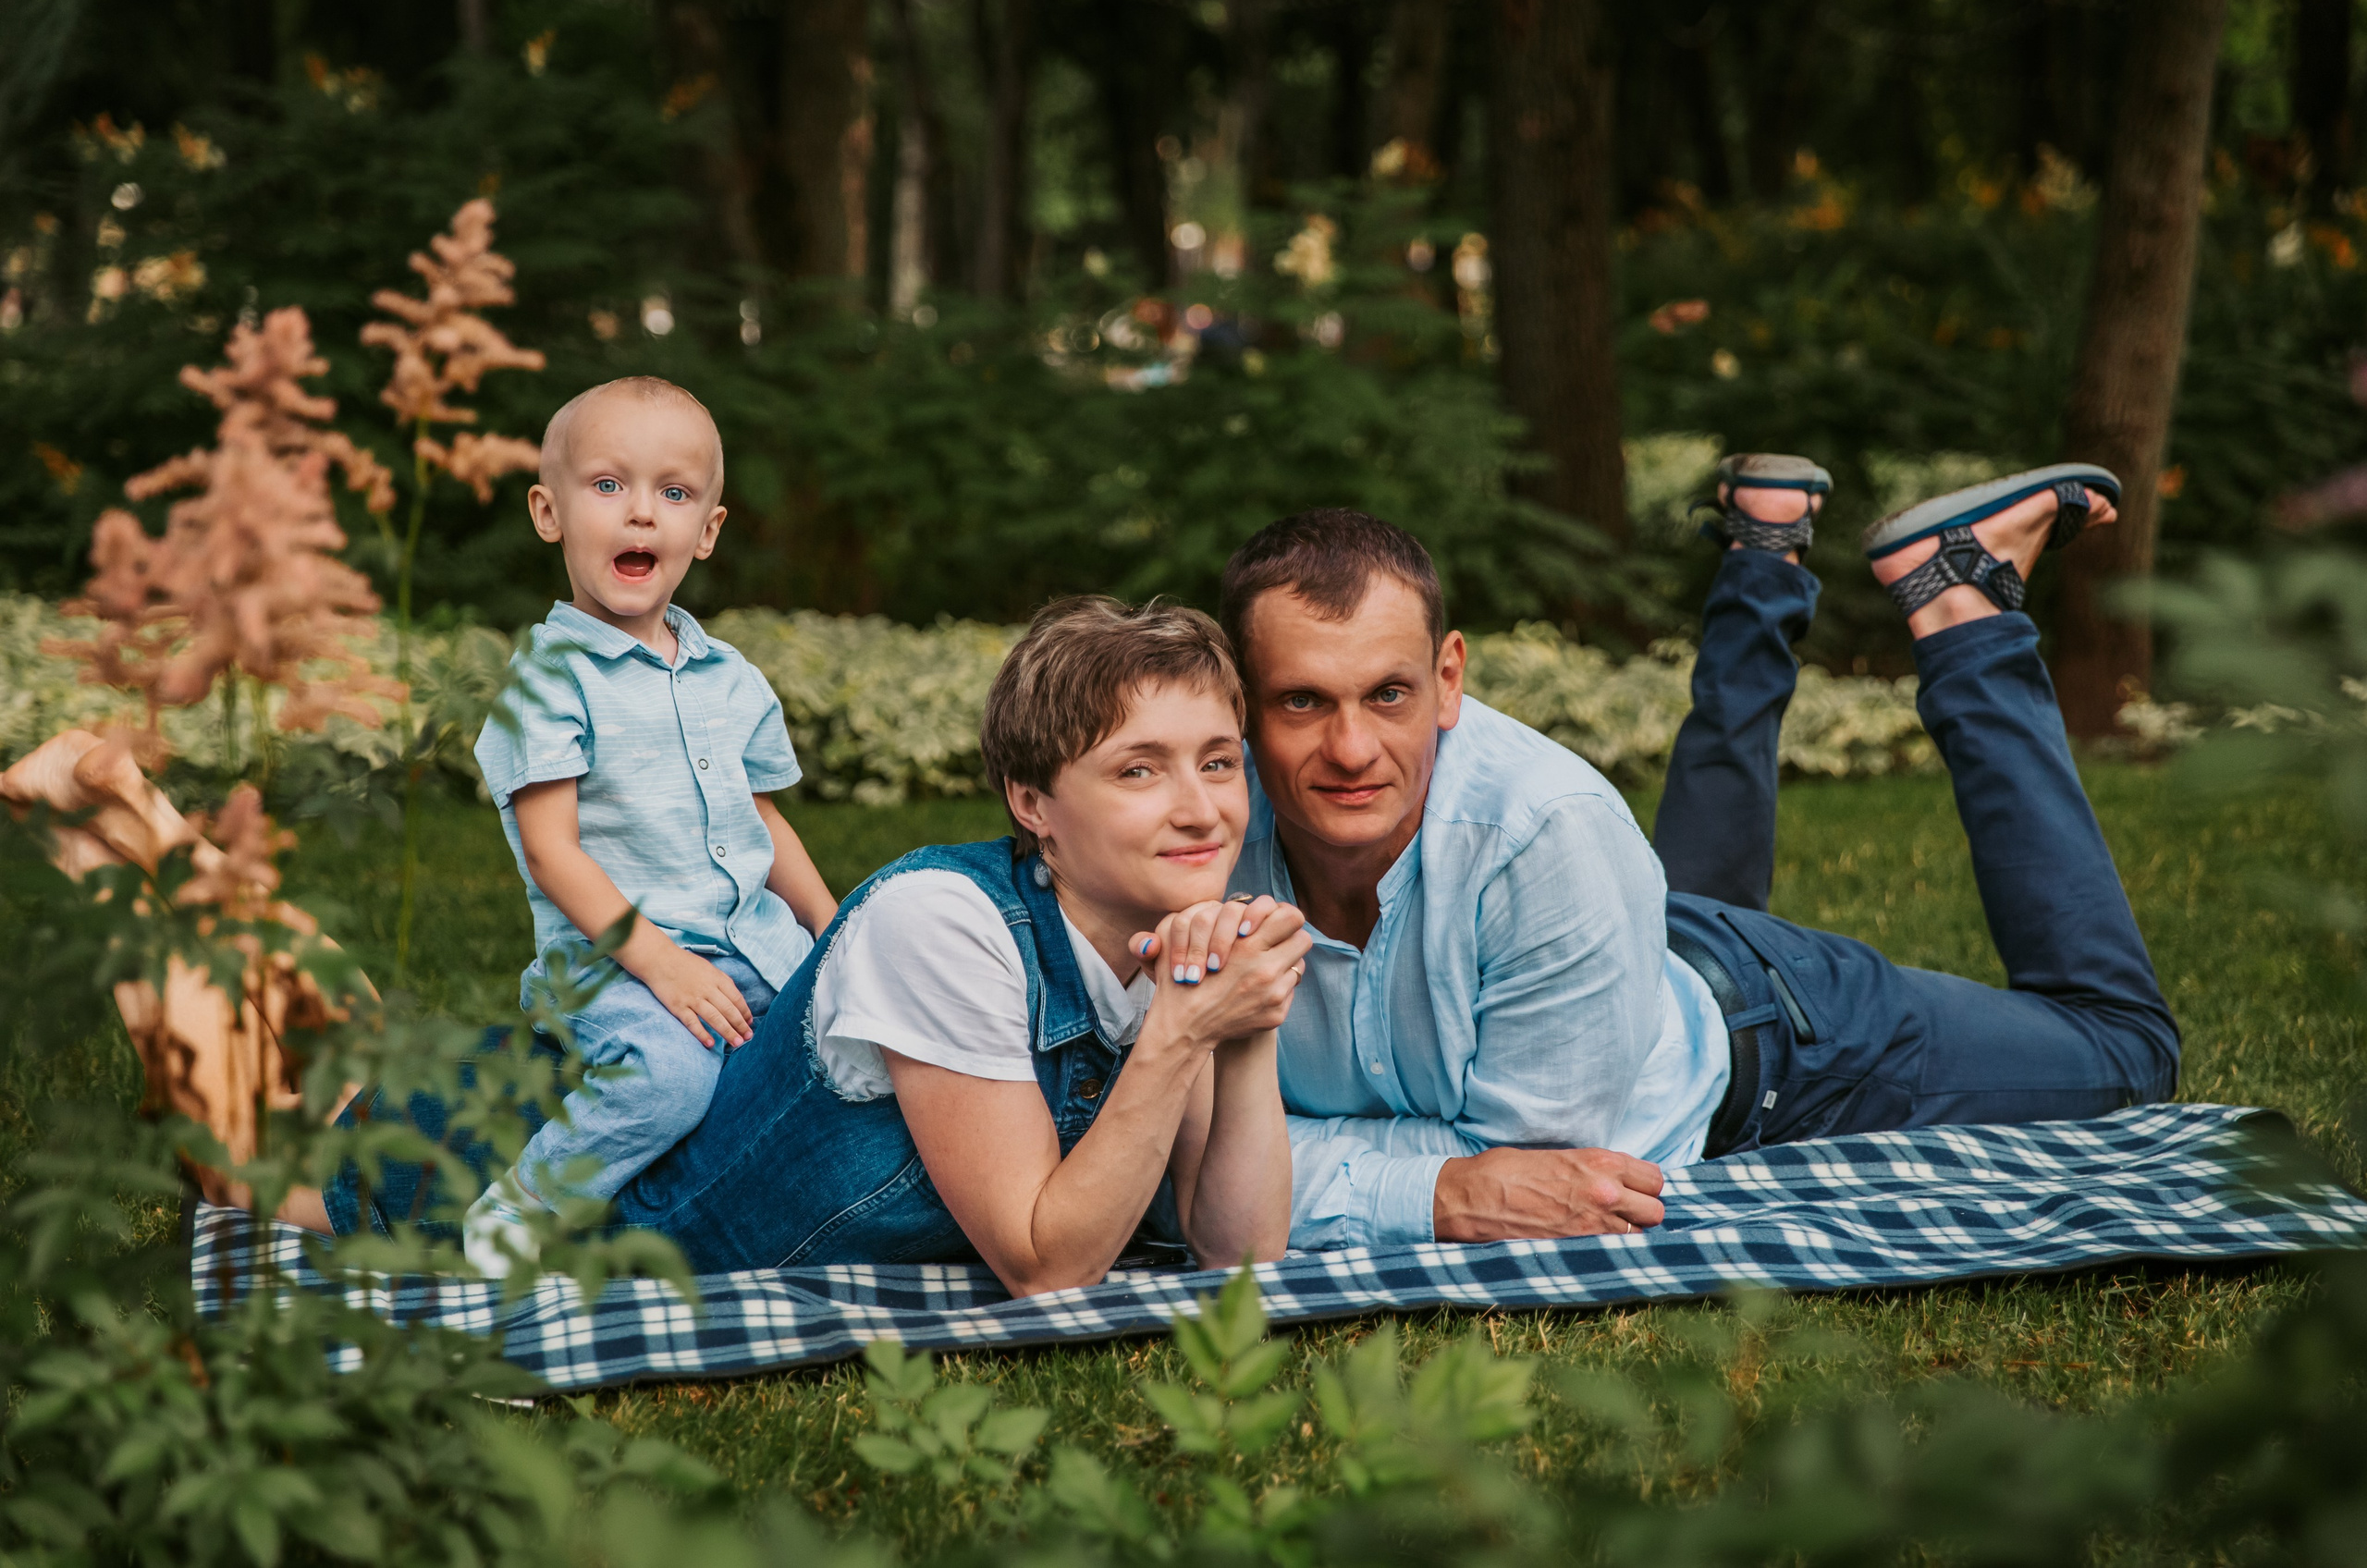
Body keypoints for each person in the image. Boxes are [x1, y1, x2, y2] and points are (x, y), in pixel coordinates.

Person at [1208, 472, 2179, 1252]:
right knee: (1643, 890)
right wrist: (1438, 1184)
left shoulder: (1544, 830)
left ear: (1449, 678)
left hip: (1778, 1038)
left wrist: (1275, 1161)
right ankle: (1764, 558)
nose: (1348, 750)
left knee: (2125, 1050)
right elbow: (1145, 1148)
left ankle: (1962, 601)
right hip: (1599, 950)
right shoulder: (1195, 829)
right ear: (1240, 706)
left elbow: (1535, 1170)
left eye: (1387, 695)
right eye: (1300, 702)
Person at [607, 596, 1306, 1292]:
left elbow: (1237, 1255)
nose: (1201, 810)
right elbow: (1049, 1273)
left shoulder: (1169, 930)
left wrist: (1246, 1022)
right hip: (645, 1271)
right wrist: (1180, 1034)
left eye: (1217, 763)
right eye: (1139, 770)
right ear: (1032, 802)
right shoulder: (940, 923)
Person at [462, 375, 838, 1274]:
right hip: (608, 963)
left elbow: (761, 819)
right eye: (607, 487)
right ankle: (518, 1213)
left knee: (848, 1046)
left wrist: (832, 929)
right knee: (669, 1078)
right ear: (548, 513)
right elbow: (552, 854)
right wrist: (658, 960)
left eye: (672, 494)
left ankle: (757, 1219)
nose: (641, 516)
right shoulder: (547, 681)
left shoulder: (730, 677)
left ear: (706, 530)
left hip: (748, 944)